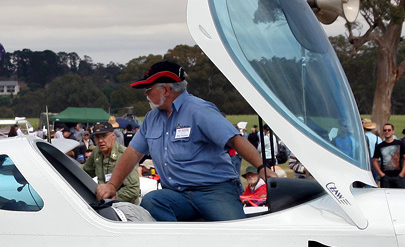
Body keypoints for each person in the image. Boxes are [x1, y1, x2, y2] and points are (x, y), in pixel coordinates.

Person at [96, 61, 267, 221]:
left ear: (166, 90)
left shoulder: (200, 110)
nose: (145, 94)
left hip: (214, 191)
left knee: (236, 233)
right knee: (152, 201)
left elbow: (235, 140)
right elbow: (133, 153)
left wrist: (262, 168)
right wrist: (112, 185)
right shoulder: (151, 119)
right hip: (176, 195)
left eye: (148, 89)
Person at [82, 122, 141, 204]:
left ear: (113, 135)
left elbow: (133, 190)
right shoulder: (97, 152)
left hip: (124, 206)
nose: (100, 141)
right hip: (104, 204)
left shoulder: (124, 155)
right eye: (97, 137)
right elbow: (86, 170)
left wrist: (112, 197)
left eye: (104, 136)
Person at [371, 123, 405, 188]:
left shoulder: (400, 144)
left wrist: (402, 172)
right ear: (383, 132)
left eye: (389, 130)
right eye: (385, 130)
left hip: (398, 176)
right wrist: (381, 174)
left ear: (393, 131)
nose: (387, 132)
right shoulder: (379, 146)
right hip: (385, 178)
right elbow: (375, 161)